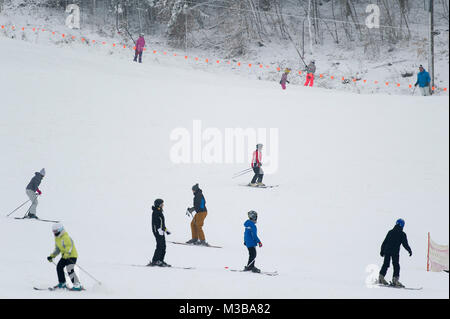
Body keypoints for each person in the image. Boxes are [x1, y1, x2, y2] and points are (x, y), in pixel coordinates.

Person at [47, 223, 83, 291]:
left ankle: (77, 285)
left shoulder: (66, 237)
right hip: (64, 256)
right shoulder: (57, 239)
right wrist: (52, 256)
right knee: (59, 267)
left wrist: (67, 253)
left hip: (72, 256)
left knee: (69, 268)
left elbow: (69, 246)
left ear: (60, 230)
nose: (54, 233)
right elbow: (57, 249)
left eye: (56, 231)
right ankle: (62, 283)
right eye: (53, 231)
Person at [378, 218, 412, 287]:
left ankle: (381, 277)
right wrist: (409, 250)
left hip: (387, 251)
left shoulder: (390, 232)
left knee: (385, 264)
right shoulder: (402, 234)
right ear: (402, 225)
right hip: (395, 252)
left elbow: (384, 242)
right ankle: (395, 280)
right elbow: (405, 244)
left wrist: (382, 250)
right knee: (396, 265)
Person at [149, 199, 171, 267]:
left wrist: (166, 230)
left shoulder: (159, 211)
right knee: (160, 246)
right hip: (158, 232)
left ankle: (160, 260)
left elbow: (161, 223)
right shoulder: (156, 212)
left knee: (163, 246)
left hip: (161, 231)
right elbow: (156, 223)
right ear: (159, 204)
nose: (163, 205)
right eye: (162, 204)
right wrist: (159, 230)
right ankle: (155, 261)